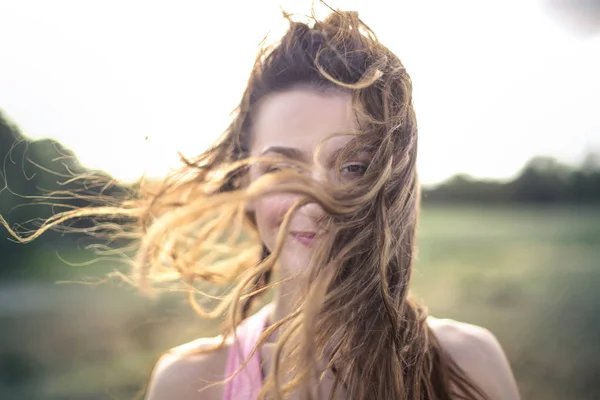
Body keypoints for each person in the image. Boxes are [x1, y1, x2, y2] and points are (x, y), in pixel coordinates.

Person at [2, 8, 520, 400]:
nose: (314, 201)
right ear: (245, 185)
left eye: (354, 166)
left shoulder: (464, 365)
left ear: (395, 182)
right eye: (282, 169)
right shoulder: (189, 384)